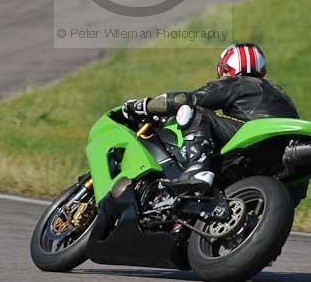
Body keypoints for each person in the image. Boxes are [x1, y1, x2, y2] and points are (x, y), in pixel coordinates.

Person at [122, 42, 300, 193]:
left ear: (224, 70)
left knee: (194, 111)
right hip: (287, 151)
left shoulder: (236, 82)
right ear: (262, 70)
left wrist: (143, 105)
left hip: (257, 138)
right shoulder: (280, 92)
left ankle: (196, 168)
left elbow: (185, 99)